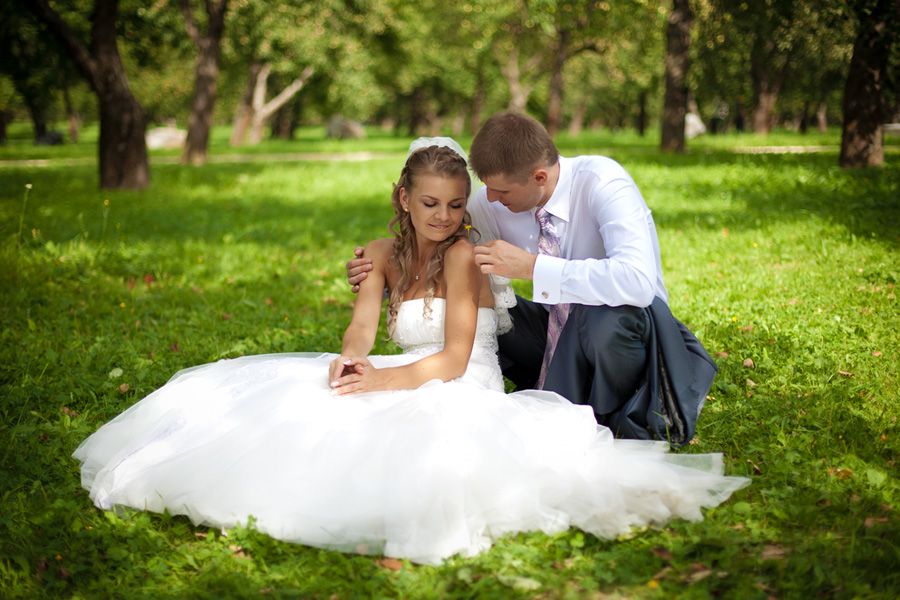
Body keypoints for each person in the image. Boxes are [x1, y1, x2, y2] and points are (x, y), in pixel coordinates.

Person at [74, 139, 747, 566]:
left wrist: (380, 383)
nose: (445, 216)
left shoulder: (464, 255)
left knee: (421, 447)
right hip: (405, 370)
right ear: (403, 198)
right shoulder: (385, 254)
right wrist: (353, 359)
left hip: (459, 380)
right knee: (305, 408)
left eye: (456, 205)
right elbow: (362, 326)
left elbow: (453, 361)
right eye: (430, 203)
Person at [348, 114, 717, 446]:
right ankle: (559, 388)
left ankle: (612, 413)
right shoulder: (492, 200)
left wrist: (533, 267)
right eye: (486, 189)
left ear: (539, 177)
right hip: (555, 324)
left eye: (501, 191)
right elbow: (439, 241)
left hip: (626, 324)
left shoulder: (603, 183)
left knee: (602, 321)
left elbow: (637, 281)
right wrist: (381, 273)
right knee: (492, 318)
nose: (489, 199)